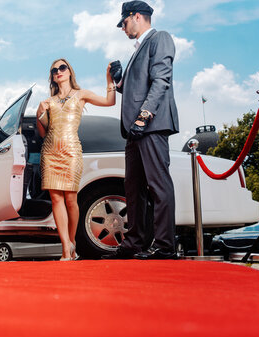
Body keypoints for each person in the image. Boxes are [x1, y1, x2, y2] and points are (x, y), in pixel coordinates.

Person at [103, 1, 179, 260]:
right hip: (135, 129)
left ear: (136, 17)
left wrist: (144, 117)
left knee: (158, 186)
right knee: (133, 187)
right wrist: (119, 80)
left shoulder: (160, 39)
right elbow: (137, 89)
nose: (122, 28)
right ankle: (135, 243)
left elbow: (161, 80)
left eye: (124, 23)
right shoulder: (137, 49)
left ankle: (165, 246)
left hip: (150, 124)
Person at [36, 58, 116, 260]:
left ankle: (72, 242)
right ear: (52, 76)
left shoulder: (82, 95)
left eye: (62, 68)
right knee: (56, 198)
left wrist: (110, 80)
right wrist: (40, 114)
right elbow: (43, 133)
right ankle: (65, 247)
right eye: (54, 70)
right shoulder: (48, 101)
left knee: (71, 199)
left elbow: (109, 102)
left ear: (69, 72)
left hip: (71, 152)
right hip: (50, 152)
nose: (58, 71)